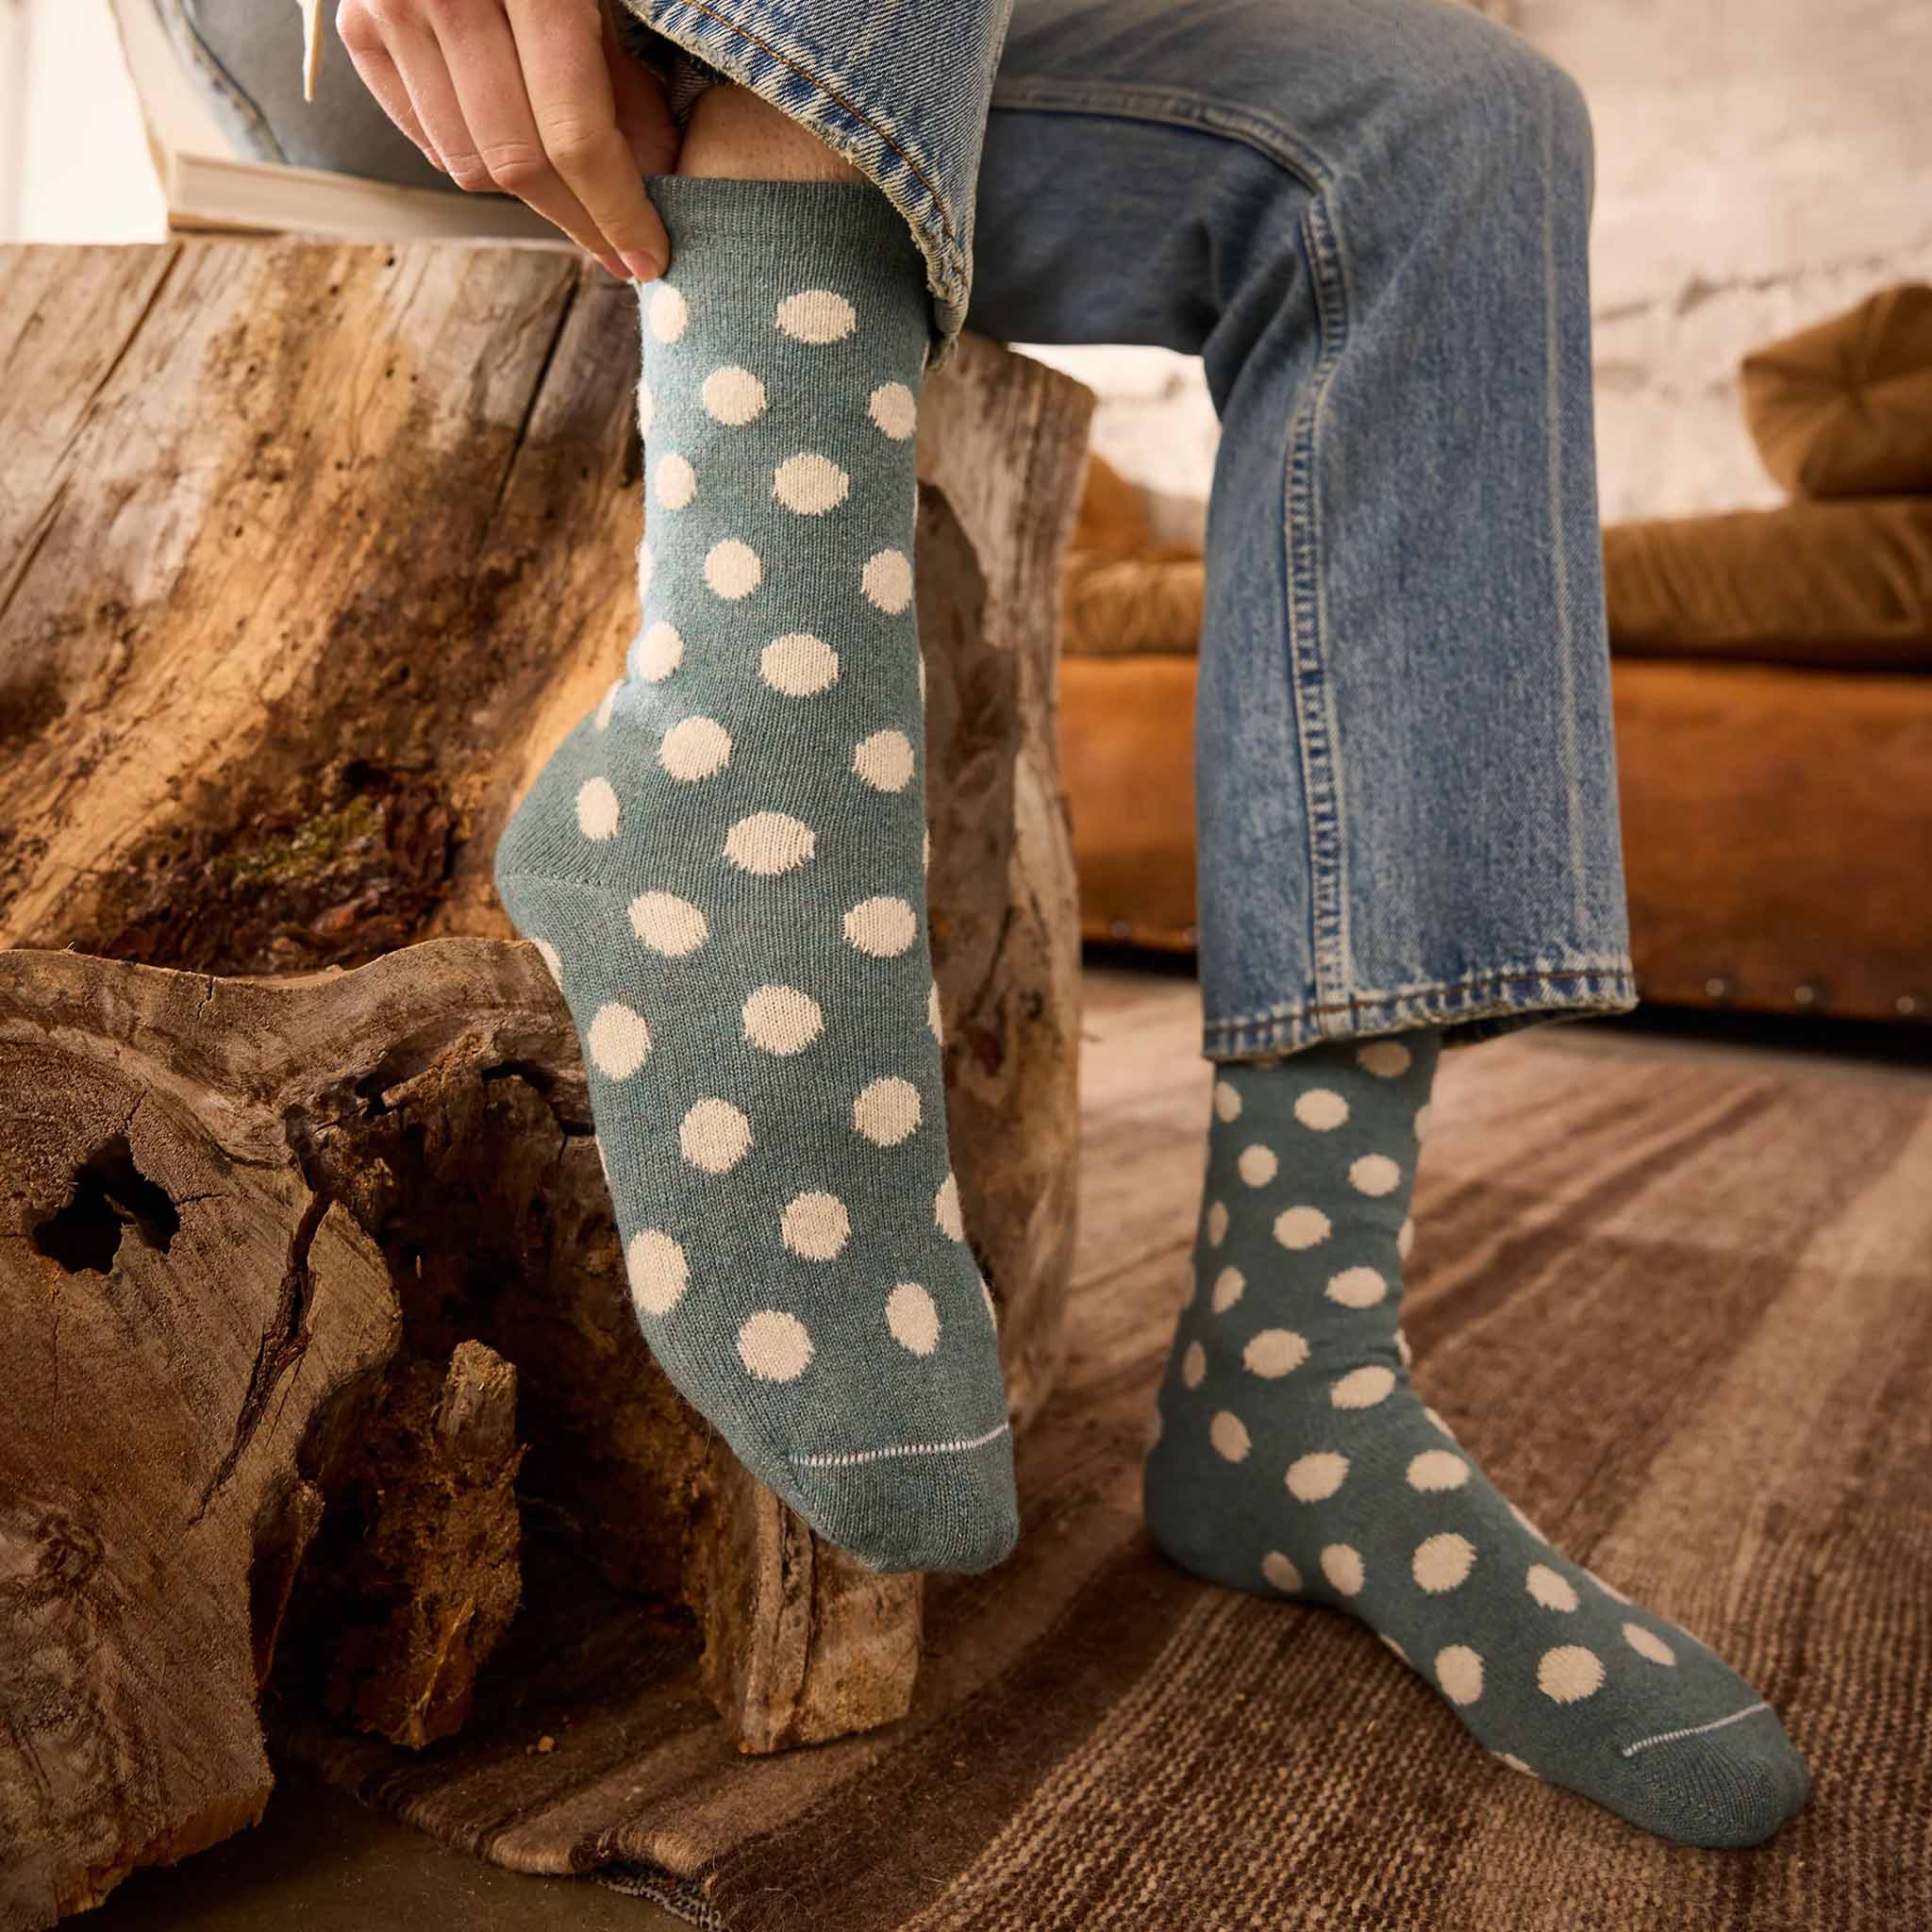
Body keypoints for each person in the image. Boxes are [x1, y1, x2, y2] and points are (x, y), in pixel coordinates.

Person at [185, 0, 1807, 1851]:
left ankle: (1307, 1375)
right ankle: (742, 767)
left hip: (842, 58)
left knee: (1453, 125)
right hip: (396, 43)